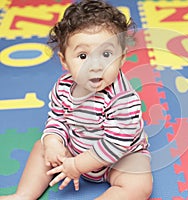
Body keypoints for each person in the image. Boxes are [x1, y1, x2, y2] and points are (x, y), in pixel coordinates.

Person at [0, 0, 153, 199]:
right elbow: (57, 118)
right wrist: (54, 141)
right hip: (76, 148)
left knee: (139, 184)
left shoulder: (123, 99)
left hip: (120, 158)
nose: (95, 66)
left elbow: (116, 144)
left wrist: (77, 166)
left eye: (106, 54)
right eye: (82, 56)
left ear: (122, 58)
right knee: (42, 146)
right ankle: (23, 195)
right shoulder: (64, 88)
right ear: (64, 60)